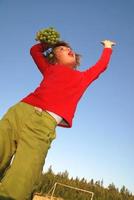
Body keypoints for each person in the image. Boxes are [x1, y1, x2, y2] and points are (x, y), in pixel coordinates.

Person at [0, 39, 116, 199]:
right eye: (62, 49)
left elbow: (101, 66)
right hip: (19, 112)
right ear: (54, 57)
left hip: (43, 124)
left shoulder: (83, 77)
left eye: (69, 48)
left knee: (24, 174)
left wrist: (108, 48)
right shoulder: (49, 68)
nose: (68, 49)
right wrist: (46, 44)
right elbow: (34, 51)